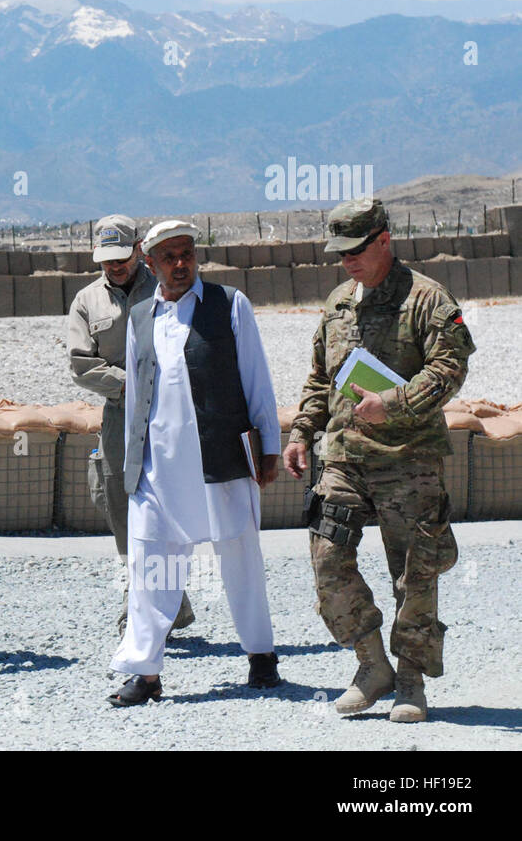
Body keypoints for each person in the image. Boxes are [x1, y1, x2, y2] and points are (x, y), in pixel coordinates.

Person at [284, 198, 473, 722]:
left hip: (408, 459)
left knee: (413, 574)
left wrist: (392, 404)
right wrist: (303, 431)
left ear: (384, 241)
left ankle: (411, 681)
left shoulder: (427, 299)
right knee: (327, 560)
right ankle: (372, 666)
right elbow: (322, 376)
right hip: (344, 456)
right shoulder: (339, 301)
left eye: (356, 250)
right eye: (339, 252)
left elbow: (449, 369)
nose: (346, 261)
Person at [108, 220, 284, 706]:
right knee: (151, 565)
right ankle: (145, 671)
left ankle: (261, 654)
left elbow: (257, 379)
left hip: (220, 455)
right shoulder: (141, 316)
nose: (180, 264)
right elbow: (136, 398)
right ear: (150, 263)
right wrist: (131, 464)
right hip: (156, 468)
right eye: (169, 257)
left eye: (187, 254)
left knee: (240, 555)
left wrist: (268, 446)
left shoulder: (230, 304)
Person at [68, 215, 194, 637]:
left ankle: (162, 596)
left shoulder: (165, 286)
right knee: (120, 501)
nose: (114, 267)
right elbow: (82, 365)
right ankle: (147, 593)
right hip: (121, 413)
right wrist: (133, 385)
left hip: (171, 410)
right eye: (106, 261)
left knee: (167, 499)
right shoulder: (87, 301)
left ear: (139, 250)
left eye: (121, 259)